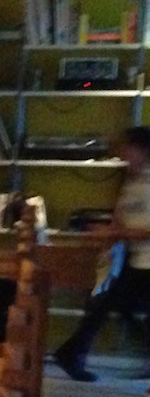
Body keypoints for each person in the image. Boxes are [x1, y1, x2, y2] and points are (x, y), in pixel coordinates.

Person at [53, 126, 150, 382]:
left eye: (128, 148)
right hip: (133, 259)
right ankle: (71, 354)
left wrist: (115, 232)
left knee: (108, 303)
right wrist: (105, 230)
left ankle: (71, 354)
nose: (123, 153)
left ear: (143, 150)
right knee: (103, 301)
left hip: (147, 263)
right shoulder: (131, 179)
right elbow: (121, 216)